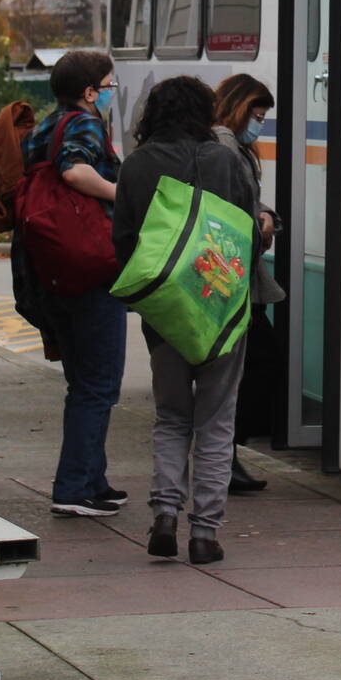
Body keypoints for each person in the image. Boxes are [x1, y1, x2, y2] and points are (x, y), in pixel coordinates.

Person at [114, 75, 257, 566]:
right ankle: (204, 533)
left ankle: (165, 514)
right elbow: (248, 234)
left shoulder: (135, 166)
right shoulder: (226, 159)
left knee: (172, 417)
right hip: (219, 310)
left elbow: (123, 243)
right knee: (216, 422)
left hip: (166, 312)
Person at [22, 51, 129, 519]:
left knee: (84, 381)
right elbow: (75, 171)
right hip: (89, 266)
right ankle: (72, 488)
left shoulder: (46, 126)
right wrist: (123, 194)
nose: (110, 92)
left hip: (51, 266)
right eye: (107, 84)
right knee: (98, 384)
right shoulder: (84, 124)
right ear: (90, 92)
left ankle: (93, 479)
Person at [211, 73, 282, 494]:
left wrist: (266, 214)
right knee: (258, 363)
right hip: (233, 278)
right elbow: (232, 204)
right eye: (257, 114)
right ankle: (226, 453)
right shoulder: (224, 144)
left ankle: (228, 454)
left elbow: (248, 200)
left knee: (248, 367)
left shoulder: (234, 145)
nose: (259, 123)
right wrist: (259, 222)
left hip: (241, 276)